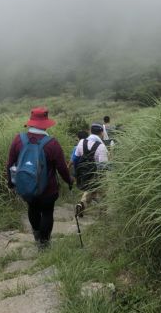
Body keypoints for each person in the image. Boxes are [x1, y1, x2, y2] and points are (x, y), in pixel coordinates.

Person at [6, 106, 73, 249]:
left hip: (26, 186)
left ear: (31, 122)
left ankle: (37, 237)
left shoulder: (19, 139)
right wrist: (69, 181)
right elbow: (61, 167)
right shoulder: (52, 143)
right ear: (45, 123)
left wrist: (11, 183)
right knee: (47, 212)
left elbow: (10, 163)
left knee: (33, 208)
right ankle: (44, 243)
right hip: (48, 189)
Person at [74, 122, 109, 217]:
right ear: (101, 132)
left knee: (90, 190)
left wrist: (77, 173)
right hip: (97, 174)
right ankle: (103, 214)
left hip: (84, 172)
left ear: (90, 131)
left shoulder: (82, 142)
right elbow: (103, 166)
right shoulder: (101, 146)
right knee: (104, 194)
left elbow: (76, 158)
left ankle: (81, 205)